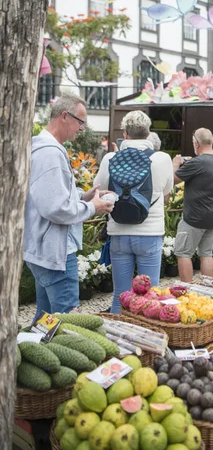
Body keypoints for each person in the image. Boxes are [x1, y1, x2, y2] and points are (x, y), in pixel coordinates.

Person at [24, 94, 114, 320]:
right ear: (64, 116)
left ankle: (33, 352)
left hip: (44, 248)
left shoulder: (44, 148)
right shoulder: (50, 153)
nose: (82, 128)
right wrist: (92, 208)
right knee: (67, 319)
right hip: (56, 252)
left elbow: (50, 198)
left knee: (45, 319)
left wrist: (84, 197)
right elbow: (56, 209)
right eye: (80, 121)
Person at [94, 111, 173, 313]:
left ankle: (117, 339)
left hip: (118, 232)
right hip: (150, 233)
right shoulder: (163, 159)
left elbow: (99, 188)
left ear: (125, 133)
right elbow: (166, 191)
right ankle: (147, 338)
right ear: (148, 133)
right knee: (151, 295)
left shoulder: (110, 158)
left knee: (120, 293)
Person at [172, 128, 213, 282]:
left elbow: (172, 180)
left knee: (183, 253)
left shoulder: (197, 162)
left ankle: (187, 290)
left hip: (193, 218)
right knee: (206, 254)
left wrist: (176, 164)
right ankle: (208, 291)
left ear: (196, 143)